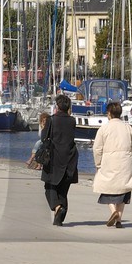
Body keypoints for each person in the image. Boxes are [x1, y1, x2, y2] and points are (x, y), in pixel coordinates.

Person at [91, 100, 132, 228]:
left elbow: (97, 148)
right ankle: (119, 219)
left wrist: (98, 164)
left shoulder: (104, 128)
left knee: (107, 189)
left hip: (109, 162)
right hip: (125, 162)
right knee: (123, 190)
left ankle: (113, 211)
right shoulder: (127, 127)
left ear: (109, 113)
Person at [40, 93, 80, 226]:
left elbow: (44, 138)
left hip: (53, 158)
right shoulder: (72, 120)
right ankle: (59, 218)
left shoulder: (51, 120)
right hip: (69, 158)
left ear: (57, 106)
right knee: (63, 190)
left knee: (49, 186)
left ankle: (58, 207)